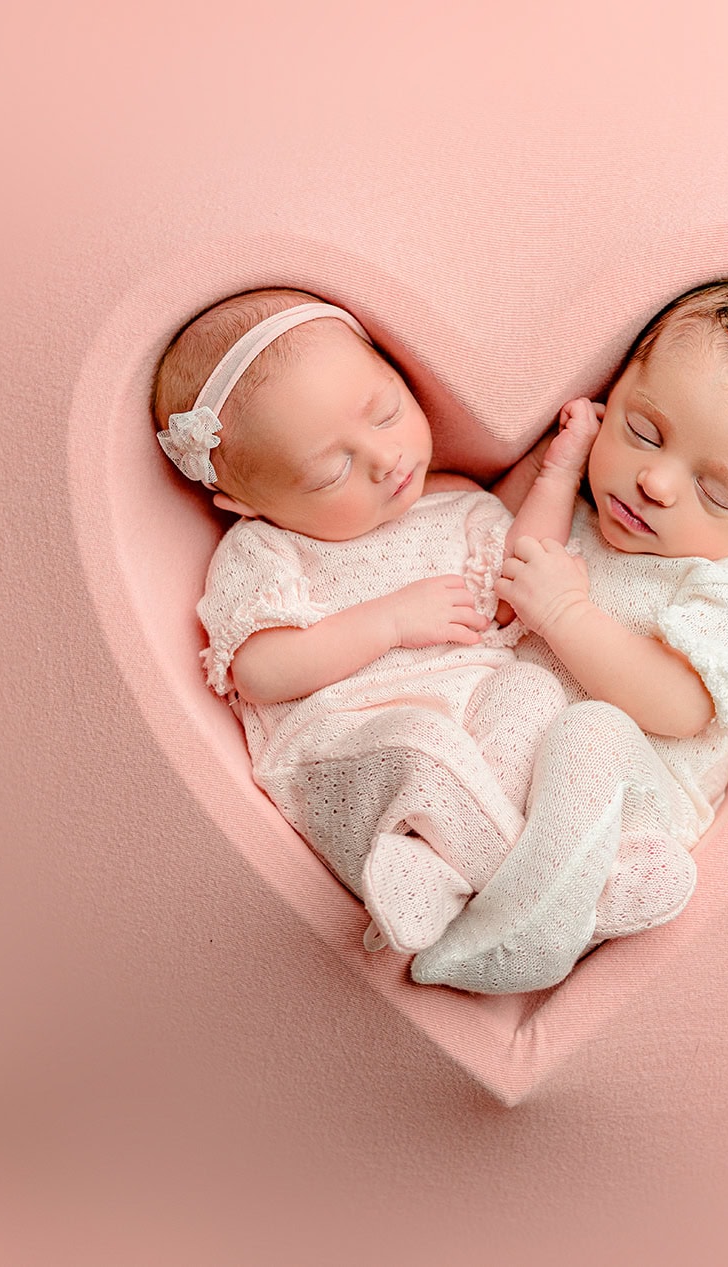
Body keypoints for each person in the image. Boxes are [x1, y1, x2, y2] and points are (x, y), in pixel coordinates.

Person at [410, 276, 728, 993]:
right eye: (642, 431)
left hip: (636, 800)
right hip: (515, 771)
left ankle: (529, 929)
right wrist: (556, 471)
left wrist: (567, 617)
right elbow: (497, 567)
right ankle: (453, 867)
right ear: (616, 388)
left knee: (591, 729)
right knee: (515, 688)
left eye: (716, 493)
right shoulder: (586, 512)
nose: (655, 481)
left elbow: (678, 706)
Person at [154, 288, 573, 957]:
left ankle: (459, 879)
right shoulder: (268, 550)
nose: (384, 459)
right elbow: (260, 671)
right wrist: (388, 621)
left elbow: (517, 588)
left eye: (386, 412)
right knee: (423, 742)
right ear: (245, 503)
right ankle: (556, 899)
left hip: (478, 755)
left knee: (536, 694)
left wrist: (559, 466)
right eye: (330, 472)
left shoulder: (457, 505)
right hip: (351, 756)